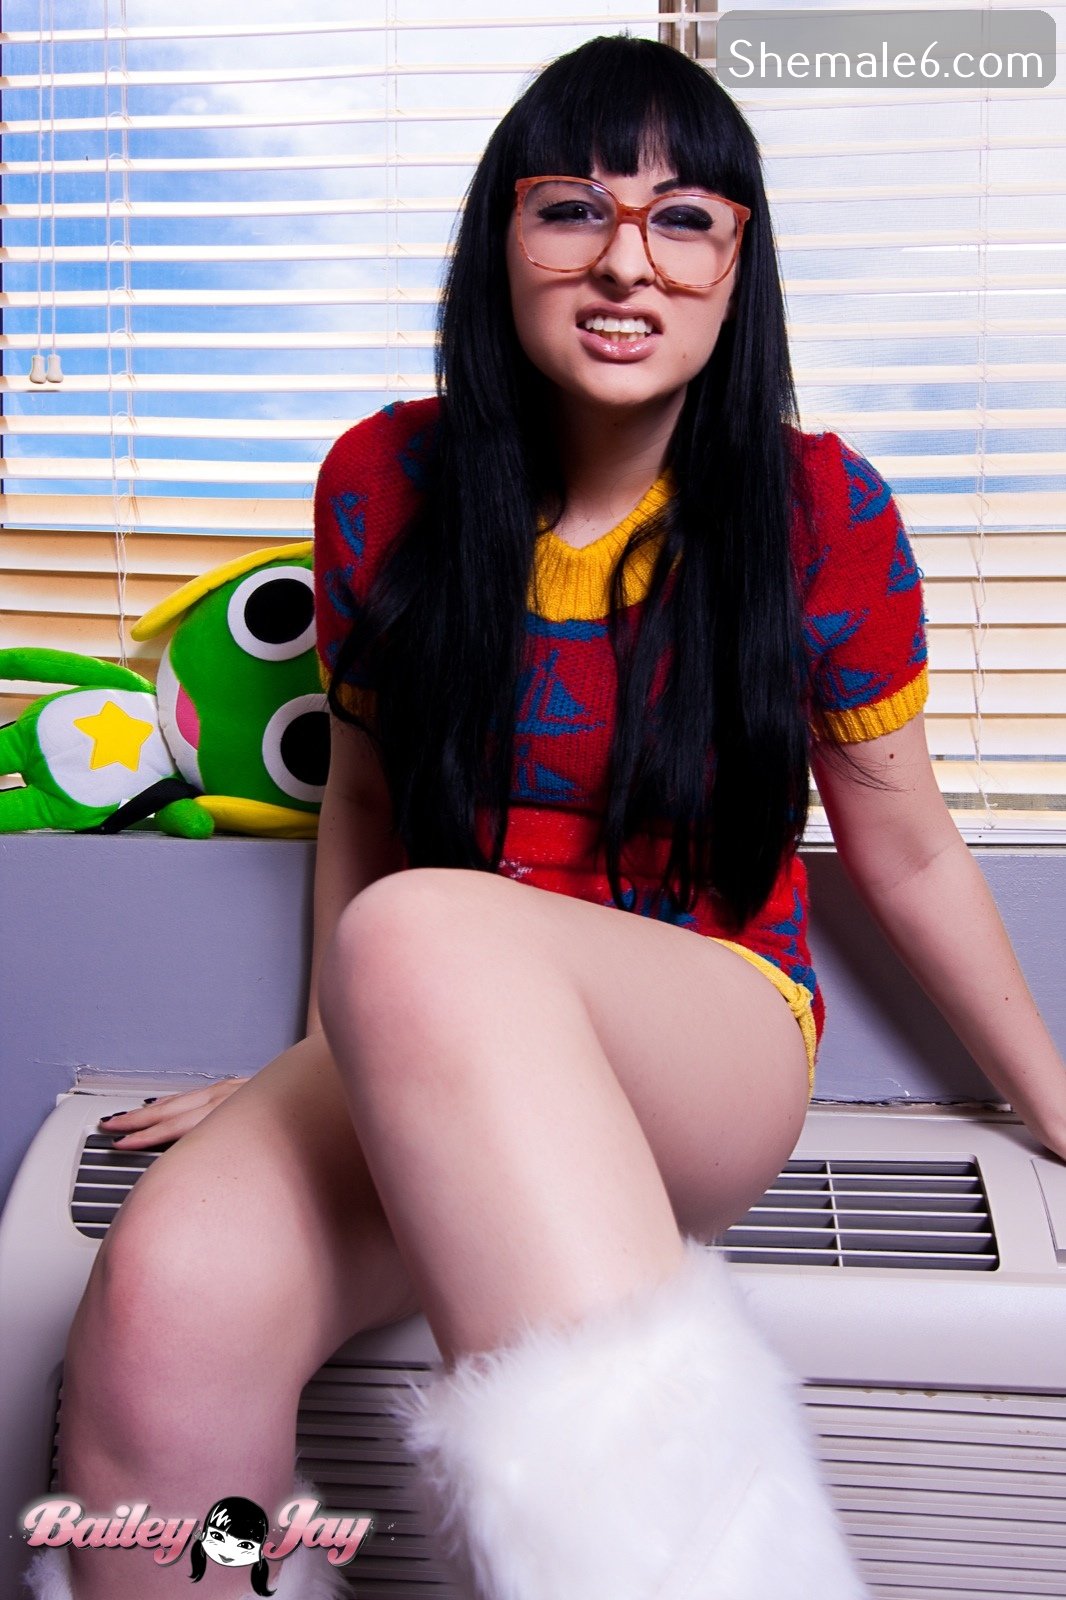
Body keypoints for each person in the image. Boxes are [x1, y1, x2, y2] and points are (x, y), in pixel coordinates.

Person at [31, 32, 1066, 1600]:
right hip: (426, 1000)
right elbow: (363, 793)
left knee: (425, 935)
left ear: (737, 267)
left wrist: (1053, 1105)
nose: (625, 264)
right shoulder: (382, 482)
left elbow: (904, 845)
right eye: (572, 209)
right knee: (165, 1298)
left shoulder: (820, 513)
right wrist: (330, 1054)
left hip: (705, 1030)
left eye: (683, 220)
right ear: (500, 241)